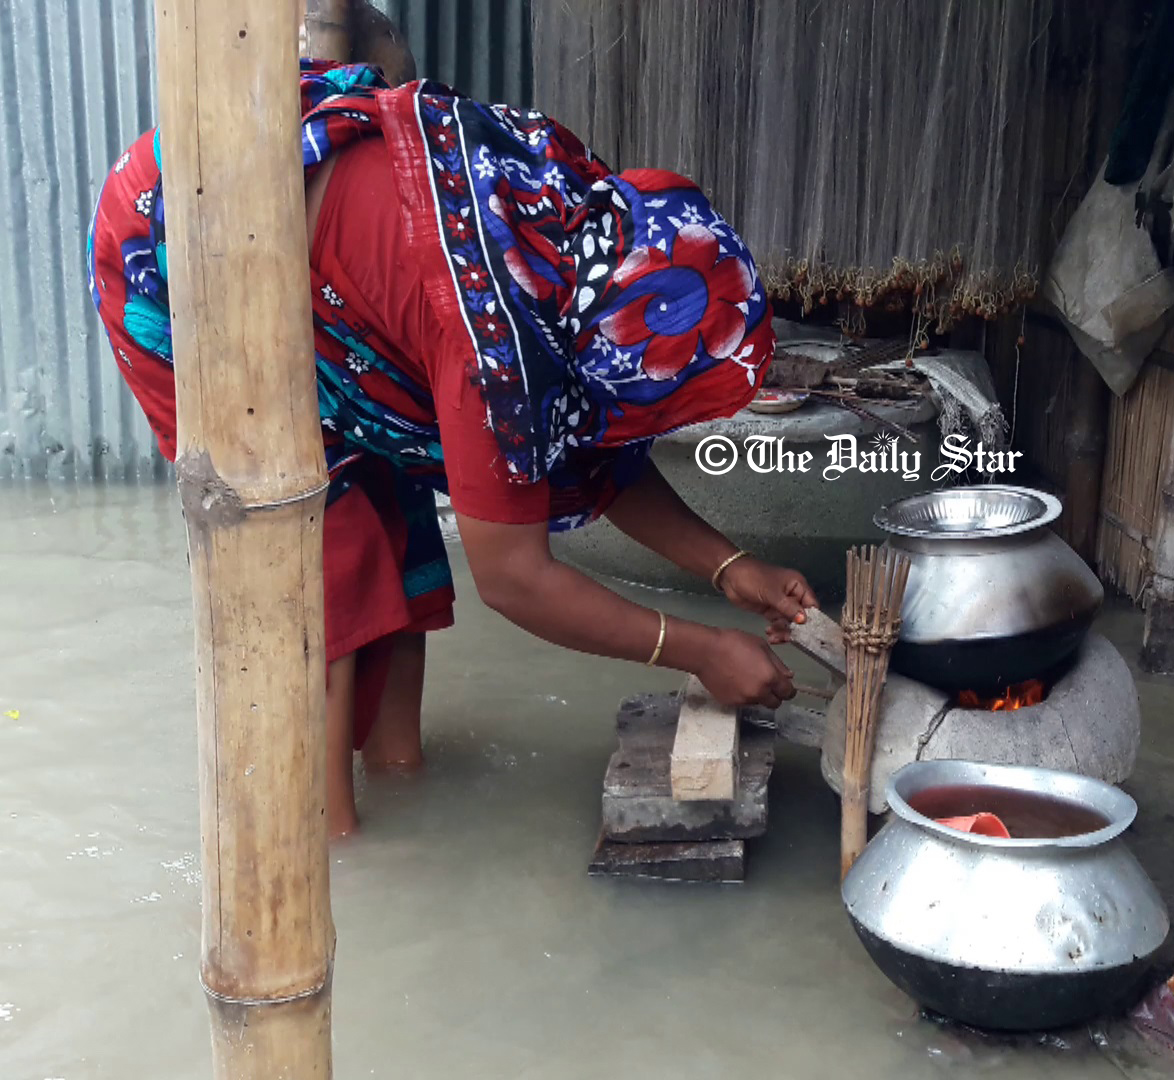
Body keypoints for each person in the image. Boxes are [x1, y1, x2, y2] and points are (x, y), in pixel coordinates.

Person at [88, 61, 814, 836]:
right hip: (184, 242)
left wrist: (730, 567)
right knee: (322, 558)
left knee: (398, 526)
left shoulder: (577, 251)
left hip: (329, 261)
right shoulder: (490, 349)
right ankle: (326, 839)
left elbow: (586, 452)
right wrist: (700, 650)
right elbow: (515, 579)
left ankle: (398, 776)